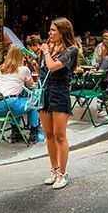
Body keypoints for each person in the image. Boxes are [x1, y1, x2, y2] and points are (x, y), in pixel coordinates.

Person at [38, 17, 79, 190]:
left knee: (59, 134)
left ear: (62, 32)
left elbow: (54, 67)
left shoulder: (71, 50)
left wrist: (46, 52)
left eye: (53, 30)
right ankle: (54, 170)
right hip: (45, 91)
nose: (50, 33)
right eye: (50, 30)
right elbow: (43, 70)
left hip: (60, 92)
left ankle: (63, 173)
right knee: (48, 134)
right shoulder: (49, 48)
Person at [0, 46, 41, 142]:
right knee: (34, 102)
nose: (24, 58)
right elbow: (31, 85)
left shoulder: (0, 69)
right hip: (6, 107)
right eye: (23, 56)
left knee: (16, 101)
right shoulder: (24, 70)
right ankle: (34, 133)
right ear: (20, 57)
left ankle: (15, 132)